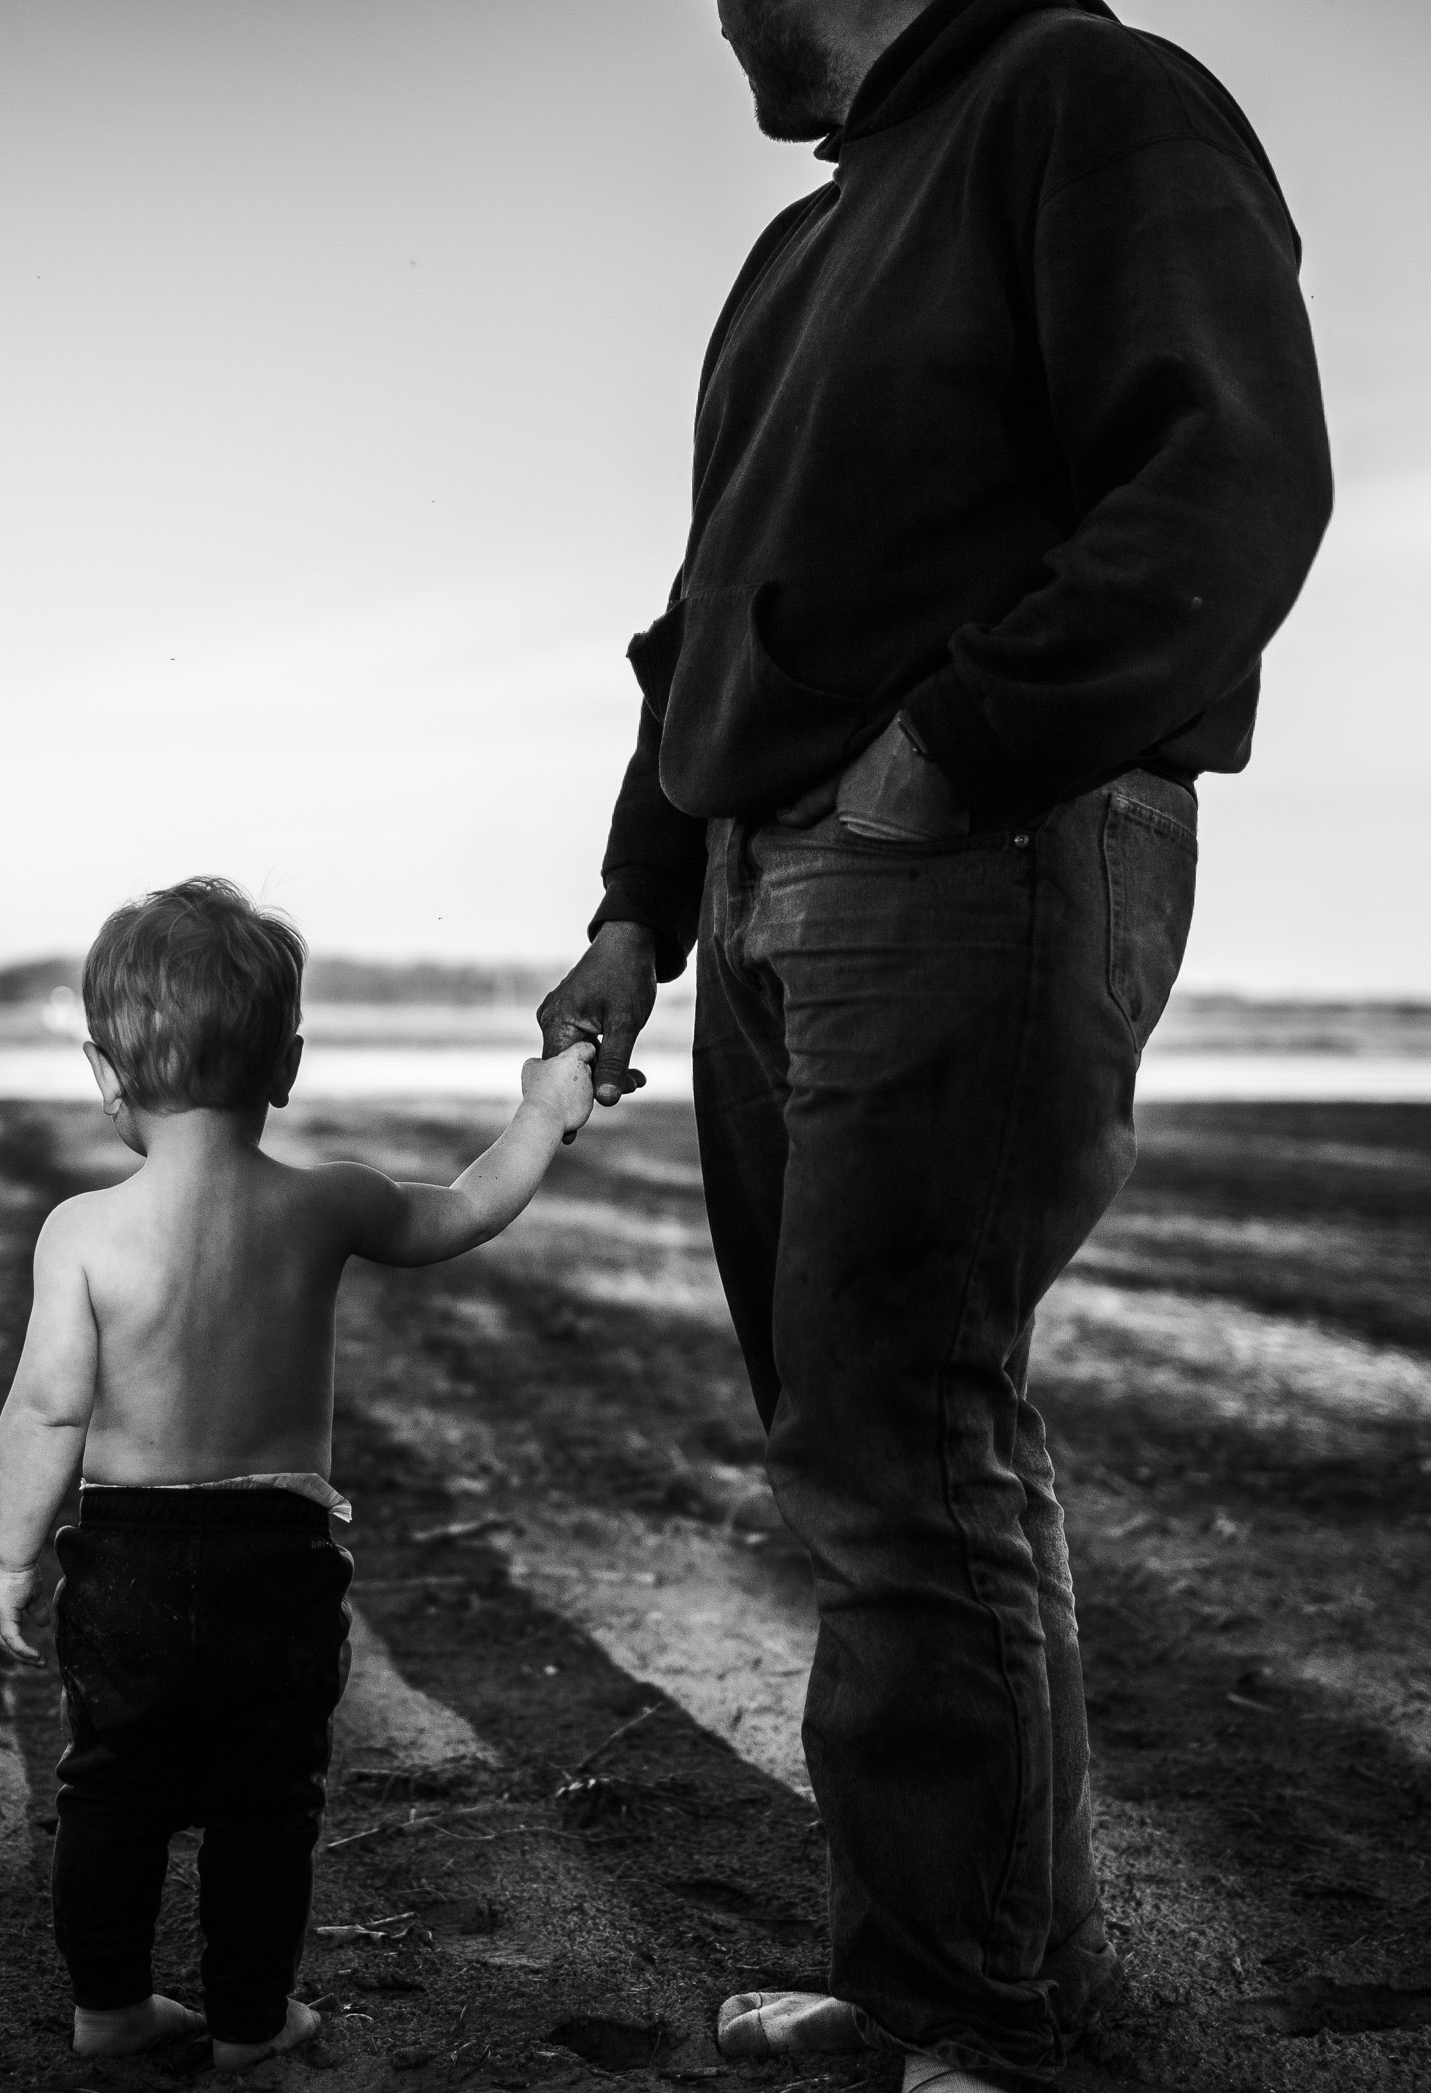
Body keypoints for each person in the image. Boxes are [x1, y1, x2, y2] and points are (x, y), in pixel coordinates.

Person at [539, 1, 1332, 2088]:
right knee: (869, 1441)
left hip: (972, 847)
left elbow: (1231, 473)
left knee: (907, 1430)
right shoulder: (801, 251)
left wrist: (954, 744)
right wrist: (637, 910)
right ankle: (950, 1980)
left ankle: (969, 2014)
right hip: (757, 882)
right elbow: (704, 618)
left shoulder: (1089, 94)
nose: (710, 7)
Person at [0, 876, 603, 2071]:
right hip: (278, 1557)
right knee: (266, 1803)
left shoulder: (82, 1230)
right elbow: (468, 1208)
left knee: (110, 1788)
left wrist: (14, 1555)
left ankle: (109, 2006)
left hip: (127, 1562)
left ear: (105, 1070)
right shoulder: (327, 1203)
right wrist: (548, 1106)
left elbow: (48, 1405)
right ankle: (253, 2019)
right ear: (290, 1062)